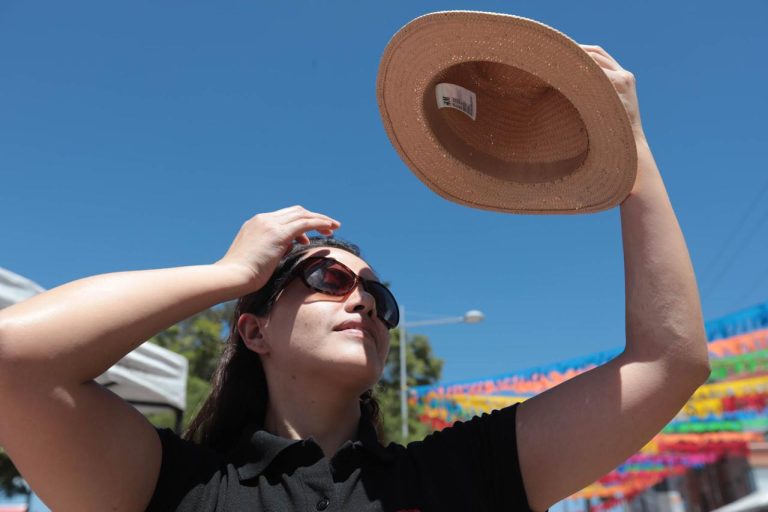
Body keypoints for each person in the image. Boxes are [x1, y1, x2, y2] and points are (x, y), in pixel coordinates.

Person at [0, 44, 710, 512]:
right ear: (254, 330)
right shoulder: (178, 487)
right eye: (328, 278)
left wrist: (629, 147)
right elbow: (15, 361)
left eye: (379, 294)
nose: (364, 299)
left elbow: (669, 360)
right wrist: (228, 273)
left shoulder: (462, 475)